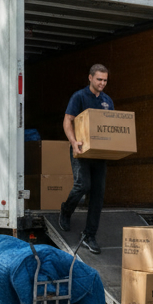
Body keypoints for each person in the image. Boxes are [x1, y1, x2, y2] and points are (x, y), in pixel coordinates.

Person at [59, 64, 112, 254]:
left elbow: (110, 127)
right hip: (80, 150)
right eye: (99, 79)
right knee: (83, 185)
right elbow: (68, 120)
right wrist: (73, 142)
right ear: (90, 78)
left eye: (105, 80)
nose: (102, 83)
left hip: (99, 154)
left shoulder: (107, 101)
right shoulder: (79, 97)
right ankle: (66, 210)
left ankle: (90, 235)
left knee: (97, 194)